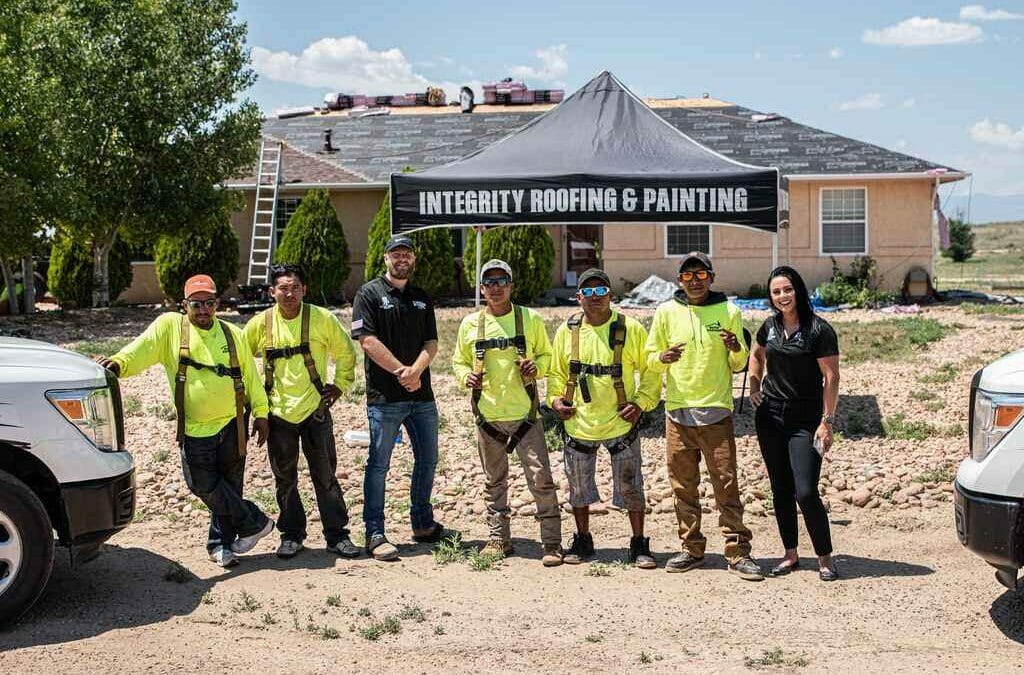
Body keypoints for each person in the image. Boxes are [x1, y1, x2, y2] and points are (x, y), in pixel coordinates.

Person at [96, 275, 273, 567]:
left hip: (234, 424)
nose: (203, 310)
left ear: (217, 303)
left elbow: (251, 379)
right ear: (184, 305)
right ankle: (255, 521)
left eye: (209, 303)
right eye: (196, 304)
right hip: (194, 429)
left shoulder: (232, 334)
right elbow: (139, 350)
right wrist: (117, 364)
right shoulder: (170, 327)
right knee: (202, 485)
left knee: (229, 486)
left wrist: (262, 413)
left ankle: (221, 544)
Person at [645, 252, 764, 581]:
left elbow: (739, 364)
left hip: (716, 412)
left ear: (712, 277)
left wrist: (734, 347)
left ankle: (738, 551)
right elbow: (649, 357)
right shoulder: (666, 312)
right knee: (682, 486)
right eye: (687, 276)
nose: (694, 281)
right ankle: (692, 548)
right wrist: (662, 357)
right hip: (678, 413)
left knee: (726, 483)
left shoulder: (729, 311)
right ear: (679, 280)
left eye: (700, 274)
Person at [244, 264, 360, 560]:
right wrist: (257, 409)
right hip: (278, 415)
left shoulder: (322, 319)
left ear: (304, 290)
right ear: (272, 291)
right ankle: (291, 535)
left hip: (315, 412)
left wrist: (340, 385)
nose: (290, 293)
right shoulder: (260, 324)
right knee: (284, 479)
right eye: (283, 288)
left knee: (326, 476)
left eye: (295, 287)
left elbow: (346, 352)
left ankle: (337, 535)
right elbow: (241, 363)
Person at [452, 260, 563, 567]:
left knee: (541, 478)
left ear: (511, 286)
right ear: (482, 288)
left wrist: (536, 367)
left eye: (503, 281)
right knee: (493, 482)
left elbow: (548, 355)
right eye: (490, 282)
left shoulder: (529, 319)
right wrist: (466, 378)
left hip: (526, 416)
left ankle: (552, 541)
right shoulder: (470, 325)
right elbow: (458, 361)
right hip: (488, 417)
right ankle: (498, 538)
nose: (496, 287)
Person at [548, 269, 661, 568]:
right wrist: (555, 400)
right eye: (589, 292)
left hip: (621, 423)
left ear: (611, 295)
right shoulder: (567, 331)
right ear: (578, 297)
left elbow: (651, 369)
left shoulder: (630, 328)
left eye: (602, 292)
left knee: (631, 486)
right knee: (578, 487)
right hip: (579, 423)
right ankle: (583, 540)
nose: (595, 298)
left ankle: (639, 543)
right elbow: (556, 373)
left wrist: (641, 403)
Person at [351, 234, 445, 561]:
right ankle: (374, 533)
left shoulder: (421, 297)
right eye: (396, 254)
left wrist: (416, 371)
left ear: (413, 259)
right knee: (379, 465)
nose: (401, 259)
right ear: (386, 258)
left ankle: (422, 523)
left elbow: (431, 343)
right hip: (385, 397)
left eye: (406, 254)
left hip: (422, 396)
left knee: (428, 459)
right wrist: (401, 372)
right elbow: (366, 340)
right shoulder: (369, 294)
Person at [749, 266, 840, 581]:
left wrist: (826, 422)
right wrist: (754, 386)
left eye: (787, 289)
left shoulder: (819, 329)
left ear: (798, 290)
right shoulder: (769, 327)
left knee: (805, 491)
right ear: (771, 297)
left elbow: (831, 377)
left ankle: (824, 557)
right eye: (776, 292)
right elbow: (757, 355)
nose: (782, 296)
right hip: (770, 417)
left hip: (806, 421)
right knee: (780, 489)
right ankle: (790, 554)